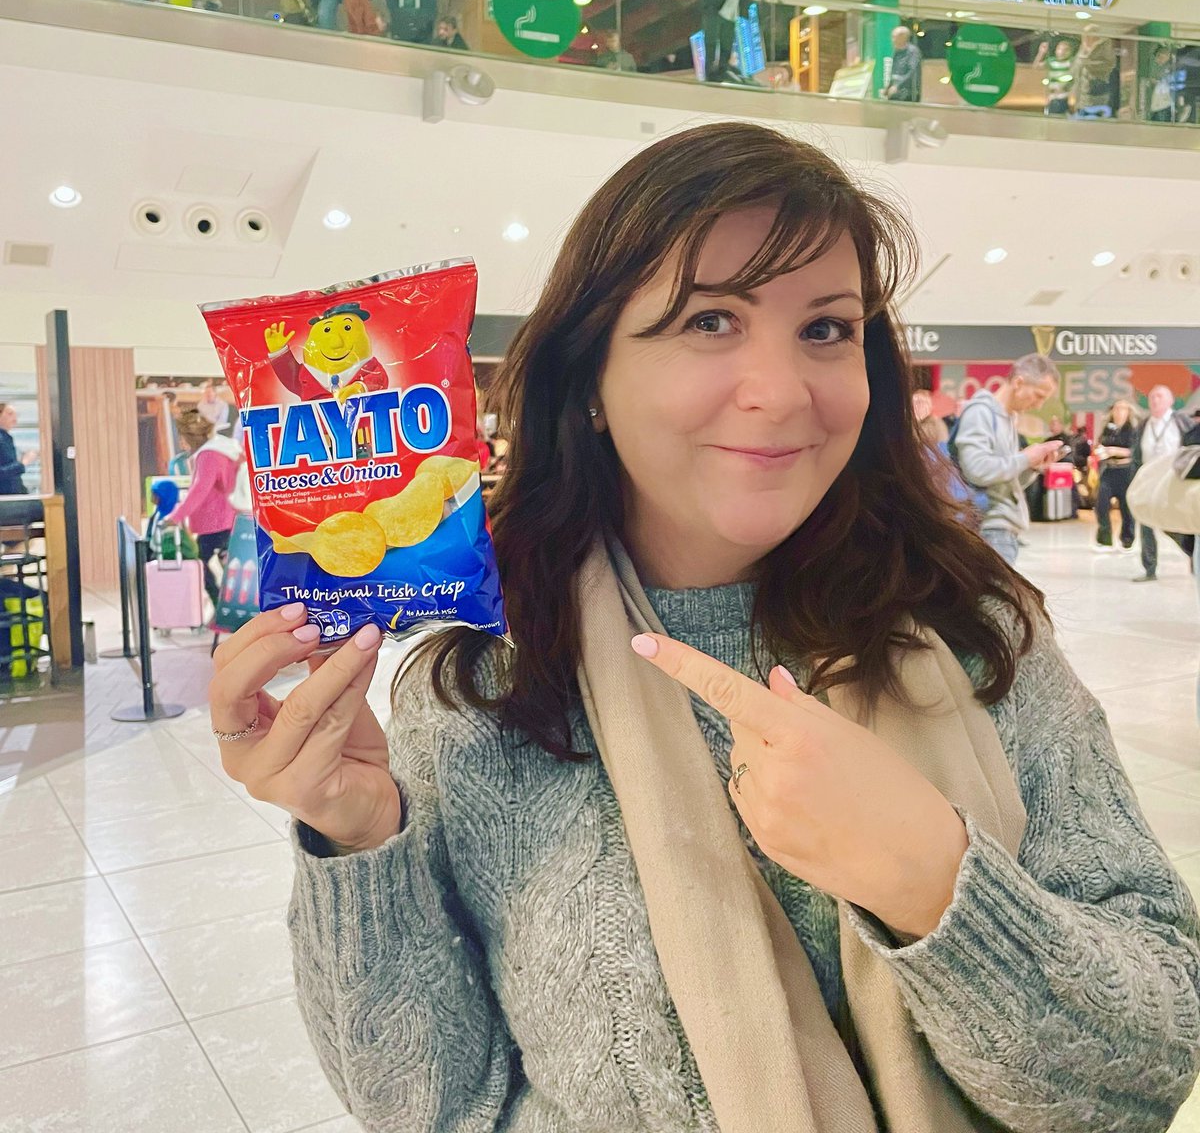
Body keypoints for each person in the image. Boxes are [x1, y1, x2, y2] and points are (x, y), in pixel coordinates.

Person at [209, 122, 1200, 1133]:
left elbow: (1152, 1060)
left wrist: (933, 879)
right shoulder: (484, 685)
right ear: (590, 381)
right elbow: (430, 1107)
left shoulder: (979, 633)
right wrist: (357, 837)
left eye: (827, 329)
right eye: (710, 321)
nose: (782, 392)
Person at [951, 356, 1063, 566]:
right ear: (1018, 382)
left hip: (1000, 529)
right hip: (988, 527)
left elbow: (1003, 481)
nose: (1039, 405)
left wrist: (1032, 466)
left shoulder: (1007, 418)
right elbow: (977, 469)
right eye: (1038, 396)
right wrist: (1025, 458)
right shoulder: (980, 412)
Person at [164, 409, 240, 608]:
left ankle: (220, 605)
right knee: (225, 565)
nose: (182, 443)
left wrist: (175, 516)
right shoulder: (222, 449)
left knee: (200, 563)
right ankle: (228, 606)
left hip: (217, 523)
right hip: (227, 520)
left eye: (183, 438)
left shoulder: (209, 455)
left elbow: (200, 489)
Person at [1132, 384, 1195, 582]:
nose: (1155, 400)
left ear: (1170, 400)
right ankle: (1149, 569)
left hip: (1174, 481)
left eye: (1159, 396)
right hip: (1148, 480)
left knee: (1179, 524)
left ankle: (1193, 556)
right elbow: (1136, 453)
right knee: (1146, 524)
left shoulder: (1182, 422)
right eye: (1152, 397)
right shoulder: (1144, 424)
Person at [1093, 399, 1138, 553]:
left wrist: (1115, 451)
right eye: (1116, 408)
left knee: (1126, 508)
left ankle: (1127, 540)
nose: (1119, 412)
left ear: (1128, 411)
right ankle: (1104, 539)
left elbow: (1134, 451)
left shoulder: (1132, 430)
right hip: (1109, 469)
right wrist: (1100, 451)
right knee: (1101, 504)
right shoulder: (1108, 428)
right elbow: (1100, 444)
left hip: (1125, 471)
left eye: (1123, 409)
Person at [0, 402, 37, 496]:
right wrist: (23, 462)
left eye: (16, 415)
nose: (14, 418)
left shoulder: (7, 438)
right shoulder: (2, 439)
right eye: (10, 414)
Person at [885, 24, 922, 102]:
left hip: (908, 95)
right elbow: (894, 72)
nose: (892, 40)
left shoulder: (913, 52)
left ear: (902, 37)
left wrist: (897, 86)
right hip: (895, 94)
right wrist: (888, 88)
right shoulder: (897, 52)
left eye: (894, 37)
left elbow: (913, 72)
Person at [1143, 44, 1175, 123]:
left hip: (1162, 104)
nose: (1160, 60)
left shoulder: (1169, 68)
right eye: (1159, 57)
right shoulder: (1153, 63)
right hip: (1152, 102)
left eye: (1163, 58)